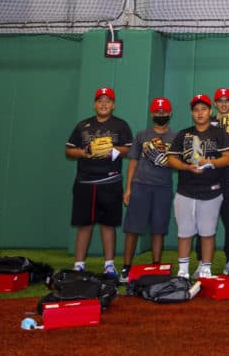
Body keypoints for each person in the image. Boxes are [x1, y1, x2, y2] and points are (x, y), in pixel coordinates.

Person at [65, 87, 133, 278]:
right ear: (95, 104)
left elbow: (130, 149)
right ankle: (79, 265)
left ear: (113, 105)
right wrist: (84, 152)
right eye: (100, 100)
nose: (104, 103)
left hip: (110, 181)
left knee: (107, 224)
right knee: (84, 224)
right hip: (84, 181)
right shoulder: (83, 125)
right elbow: (69, 150)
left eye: (108, 100)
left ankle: (109, 265)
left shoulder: (121, 125)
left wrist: (112, 150)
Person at [166, 94, 229, 279]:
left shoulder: (219, 133)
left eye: (204, 109)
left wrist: (210, 163)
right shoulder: (184, 134)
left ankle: (205, 269)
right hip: (186, 191)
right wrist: (186, 166)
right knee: (185, 232)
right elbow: (171, 158)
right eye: (196, 110)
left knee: (208, 232)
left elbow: (228, 158)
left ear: (210, 111)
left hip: (211, 191)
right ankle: (183, 271)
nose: (200, 113)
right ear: (192, 113)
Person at [121, 97, 178, 281]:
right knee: (132, 228)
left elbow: (180, 162)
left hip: (163, 187)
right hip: (141, 185)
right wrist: (128, 188)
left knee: (158, 228)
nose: (160, 115)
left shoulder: (175, 137)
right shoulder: (141, 135)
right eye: (157, 112)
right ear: (151, 113)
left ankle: (156, 266)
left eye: (164, 112)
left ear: (170, 113)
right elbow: (133, 162)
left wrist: (167, 160)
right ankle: (126, 267)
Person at [211, 88, 229, 273]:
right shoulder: (206, 120)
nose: (223, 103)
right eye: (220, 100)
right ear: (215, 103)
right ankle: (203, 261)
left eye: (226, 100)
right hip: (211, 174)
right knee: (206, 221)